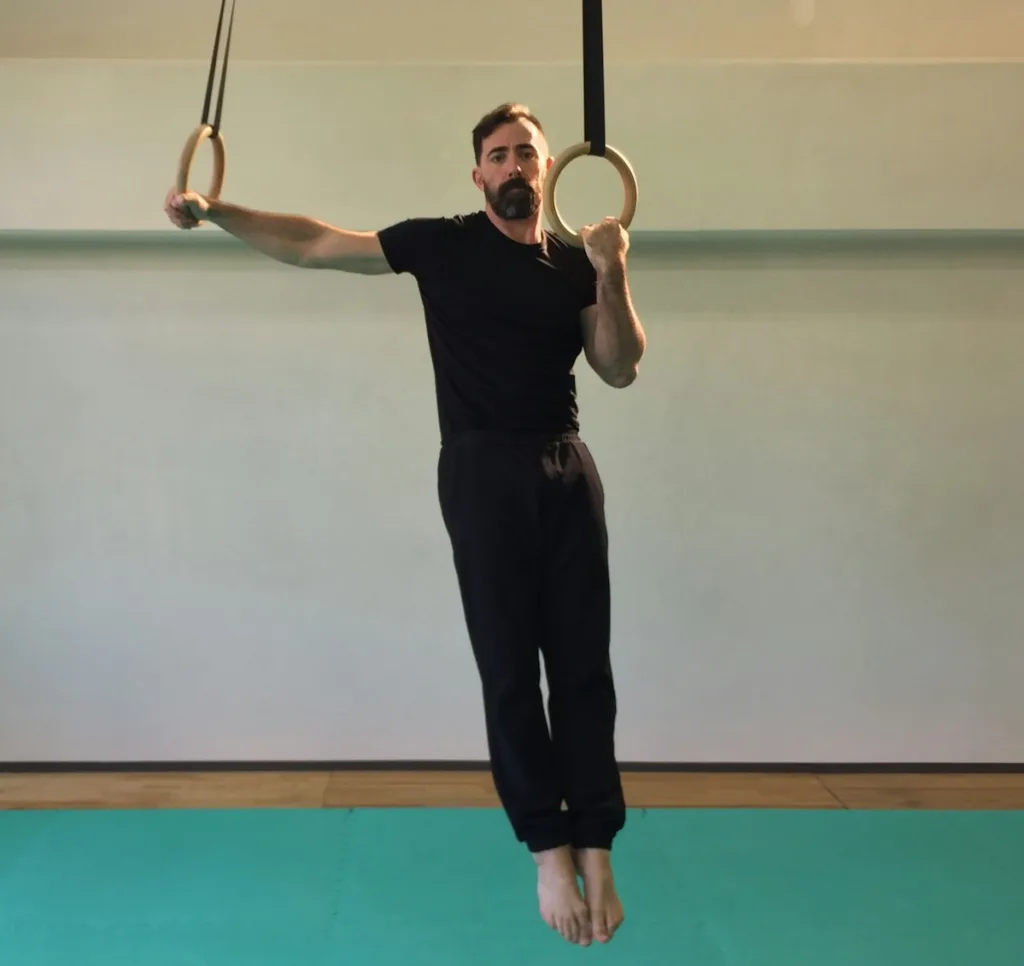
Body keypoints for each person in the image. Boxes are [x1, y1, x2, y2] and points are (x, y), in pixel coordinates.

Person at [164, 102, 646, 947]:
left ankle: (597, 842)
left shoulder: (575, 265)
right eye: (498, 156)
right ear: (478, 176)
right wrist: (220, 211)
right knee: (508, 665)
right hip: (480, 467)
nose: (514, 167)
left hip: (569, 466)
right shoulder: (443, 244)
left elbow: (617, 366)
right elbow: (316, 243)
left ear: (550, 167)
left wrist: (612, 269)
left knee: (583, 666)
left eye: (526, 153)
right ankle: (546, 846)